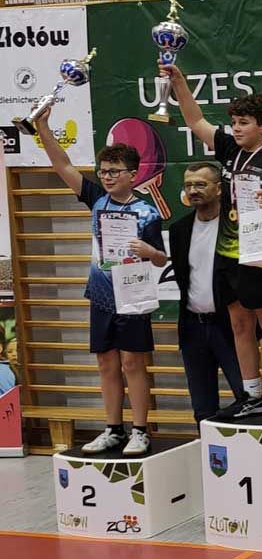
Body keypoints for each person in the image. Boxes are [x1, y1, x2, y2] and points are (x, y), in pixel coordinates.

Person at [163, 63, 262, 423]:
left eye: (244, 123)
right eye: (234, 123)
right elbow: (195, 120)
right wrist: (180, 82)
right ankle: (253, 394)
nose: (236, 129)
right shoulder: (229, 150)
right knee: (240, 325)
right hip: (228, 252)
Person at [35, 108, 167, 456]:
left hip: (132, 295)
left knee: (132, 364)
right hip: (101, 296)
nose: (107, 177)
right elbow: (62, 165)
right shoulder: (96, 198)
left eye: (114, 171)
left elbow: (161, 259)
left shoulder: (147, 212)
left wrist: (149, 250)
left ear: (133, 174)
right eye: (103, 171)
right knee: (106, 363)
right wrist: (43, 127)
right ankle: (113, 429)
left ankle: (140, 430)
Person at [169, 162, 246, 425]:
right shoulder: (179, 230)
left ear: (219, 188)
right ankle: (207, 451)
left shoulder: (235, 225)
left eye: (201, 184)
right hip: (192, 327)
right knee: (202, 410)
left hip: (230, 326)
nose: (193, 190)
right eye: (189, 185)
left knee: (247, 399)